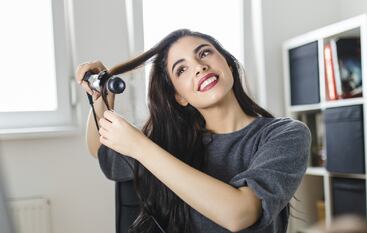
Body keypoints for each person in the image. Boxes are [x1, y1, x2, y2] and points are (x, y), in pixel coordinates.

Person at [75, 29, 311, 233]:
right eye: (181, 69)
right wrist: (102, 94)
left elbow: (240, 214)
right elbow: (99, 147)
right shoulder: (170, 143)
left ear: (227, 63)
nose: (199, 66)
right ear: (179, 96)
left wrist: (140, 147)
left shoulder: (285, 134)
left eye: (205, 53)